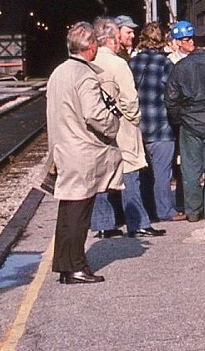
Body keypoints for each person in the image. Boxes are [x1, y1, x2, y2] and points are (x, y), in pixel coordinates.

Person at [46, 21, 122, 283]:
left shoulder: (58, 72)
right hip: (82, 151)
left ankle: (66, 266)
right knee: (79, 213)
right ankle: (76, 266)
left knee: (68, 212)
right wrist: (114, 125)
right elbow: (95, 114)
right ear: (90, 47)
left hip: (64, 148)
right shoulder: (85, 75)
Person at [89, 18, 163, 239]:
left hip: (97, 128)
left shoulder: (89, 61)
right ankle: (138, 222)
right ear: (112, 39)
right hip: (121, 126)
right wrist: (135, 119)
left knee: (101, 175)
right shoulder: (118, 64)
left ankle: (104, 224)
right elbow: (130, 100)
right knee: (130, 173)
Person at [165, 26, 205, 222]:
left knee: (190, 168)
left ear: (193, 42)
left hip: (188, 121)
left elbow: (170, 98)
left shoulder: (180, 66)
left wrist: (179, 119)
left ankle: (192, 210)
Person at [132, 20, 182, 222]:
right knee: (163, 173)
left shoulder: (132, 63)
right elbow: (172, 94)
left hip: (138, 126)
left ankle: (147, 210)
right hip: (161, 126)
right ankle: (165, 211)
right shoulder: (165, 63)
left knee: (144, 173)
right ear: (161, 40)